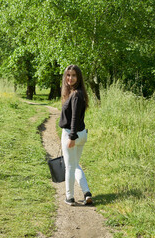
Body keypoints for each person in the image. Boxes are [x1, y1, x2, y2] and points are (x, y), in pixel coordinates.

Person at [59, 64, 93, 206]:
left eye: (73, 75)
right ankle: (87, 193)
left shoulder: (76, 95)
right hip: (81, 134)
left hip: (72, 135)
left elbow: (73, 118)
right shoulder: (77, 93)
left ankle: (70, 197)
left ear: (78, 77)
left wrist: (72, 137)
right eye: (68, 75)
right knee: (75, 165)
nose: (70, 78)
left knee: (70, 167)